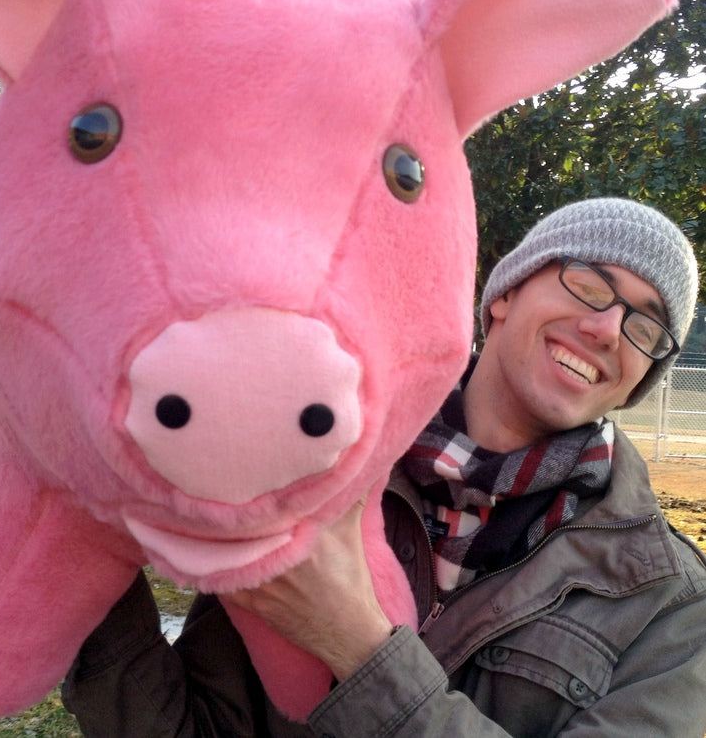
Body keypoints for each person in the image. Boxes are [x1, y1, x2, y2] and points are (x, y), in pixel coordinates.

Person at [62, 197, 706, 737]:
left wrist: (357, 646)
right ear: (504, 294)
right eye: (590, 287)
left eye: (646, 330)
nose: (607, 328)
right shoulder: (313, 469)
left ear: (636, 383)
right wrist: (77, 525)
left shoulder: (673, 609)